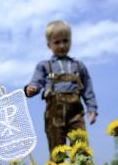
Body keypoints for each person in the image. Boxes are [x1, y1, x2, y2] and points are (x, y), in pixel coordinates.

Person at [24, 20, 98, 155]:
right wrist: (32, 88)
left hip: (76, 113)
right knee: (57, 148)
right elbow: (36, 82)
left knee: (81, 147)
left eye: (65, 41)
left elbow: (87, 87)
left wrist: (92, 108)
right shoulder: (45, 65)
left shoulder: (78, 65)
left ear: (71, 41)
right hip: (54, 114)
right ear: (49, 45)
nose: (62, 45)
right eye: (57, 42)